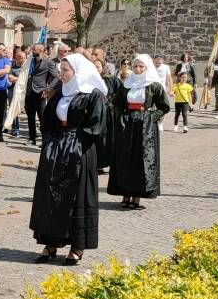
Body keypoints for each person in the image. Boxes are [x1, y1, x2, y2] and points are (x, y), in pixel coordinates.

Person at [30, 54, 107, 266]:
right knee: (52, 194)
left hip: (80, 150)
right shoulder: (60, 93)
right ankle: (51, 243)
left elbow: (97, 126)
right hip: (56, 149)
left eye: (65, 70)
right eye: (61, 70)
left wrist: (75, 141)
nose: (61, 74)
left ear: (78, 72)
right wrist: (50, 142)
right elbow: (48, 120)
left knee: (76, 197)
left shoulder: (93, 95)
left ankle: (77, 246)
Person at [108, 54, 169, 209]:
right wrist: (121, 118)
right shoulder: (127, 84)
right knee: (125, 159)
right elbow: (116, 104)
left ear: (146, 68)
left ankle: (137, 197)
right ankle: (125, 195)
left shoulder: (154, 85)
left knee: (141, 160)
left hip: (145, 127)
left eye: (141, 66)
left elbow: (164, 106)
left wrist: (150, 117)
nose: (138, 69)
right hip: (127, 126)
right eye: (135, 66)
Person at [22, 43, 59, 146]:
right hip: (29, 92)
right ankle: (32, 138)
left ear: (41, 50)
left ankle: (45, 139)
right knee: (30, 116)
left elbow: (56, 77)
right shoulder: (30, 61)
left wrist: (48, 89)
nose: (32, 51)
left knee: (42, 117)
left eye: (34, 49)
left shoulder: (49, 62)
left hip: (41, 93)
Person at [6, 48, 26, 137]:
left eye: (24, 57)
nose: (23, 59)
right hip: (13, 91)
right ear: (16, 58)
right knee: (13, 110)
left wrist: (17, 79)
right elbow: (9, 77)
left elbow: (27, 79)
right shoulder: (12, 66)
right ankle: (15, 129)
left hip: (24, 91)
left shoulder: (27, 67)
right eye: (20, 57)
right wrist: (19, 79)